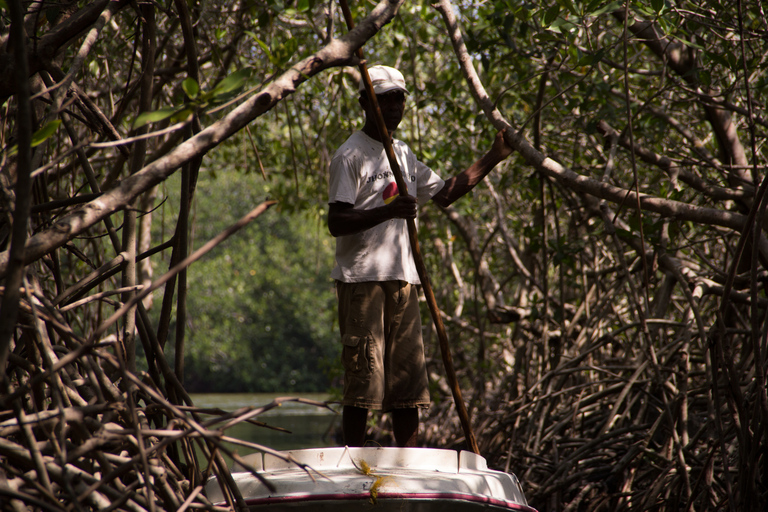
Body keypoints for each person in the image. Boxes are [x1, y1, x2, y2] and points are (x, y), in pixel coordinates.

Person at [327, 65, 512, 447]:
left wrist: (495, 156)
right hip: (362, 281)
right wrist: (389, 210)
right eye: (384, 99)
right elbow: (337, 220)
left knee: (407, 382)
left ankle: (407, 463)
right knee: (363, 381)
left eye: (399, 98)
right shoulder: (350, 155)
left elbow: (445, 192)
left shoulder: (404, 155)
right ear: (365, 103)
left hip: (405, 282)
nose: (394, 106)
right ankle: (353, 461)